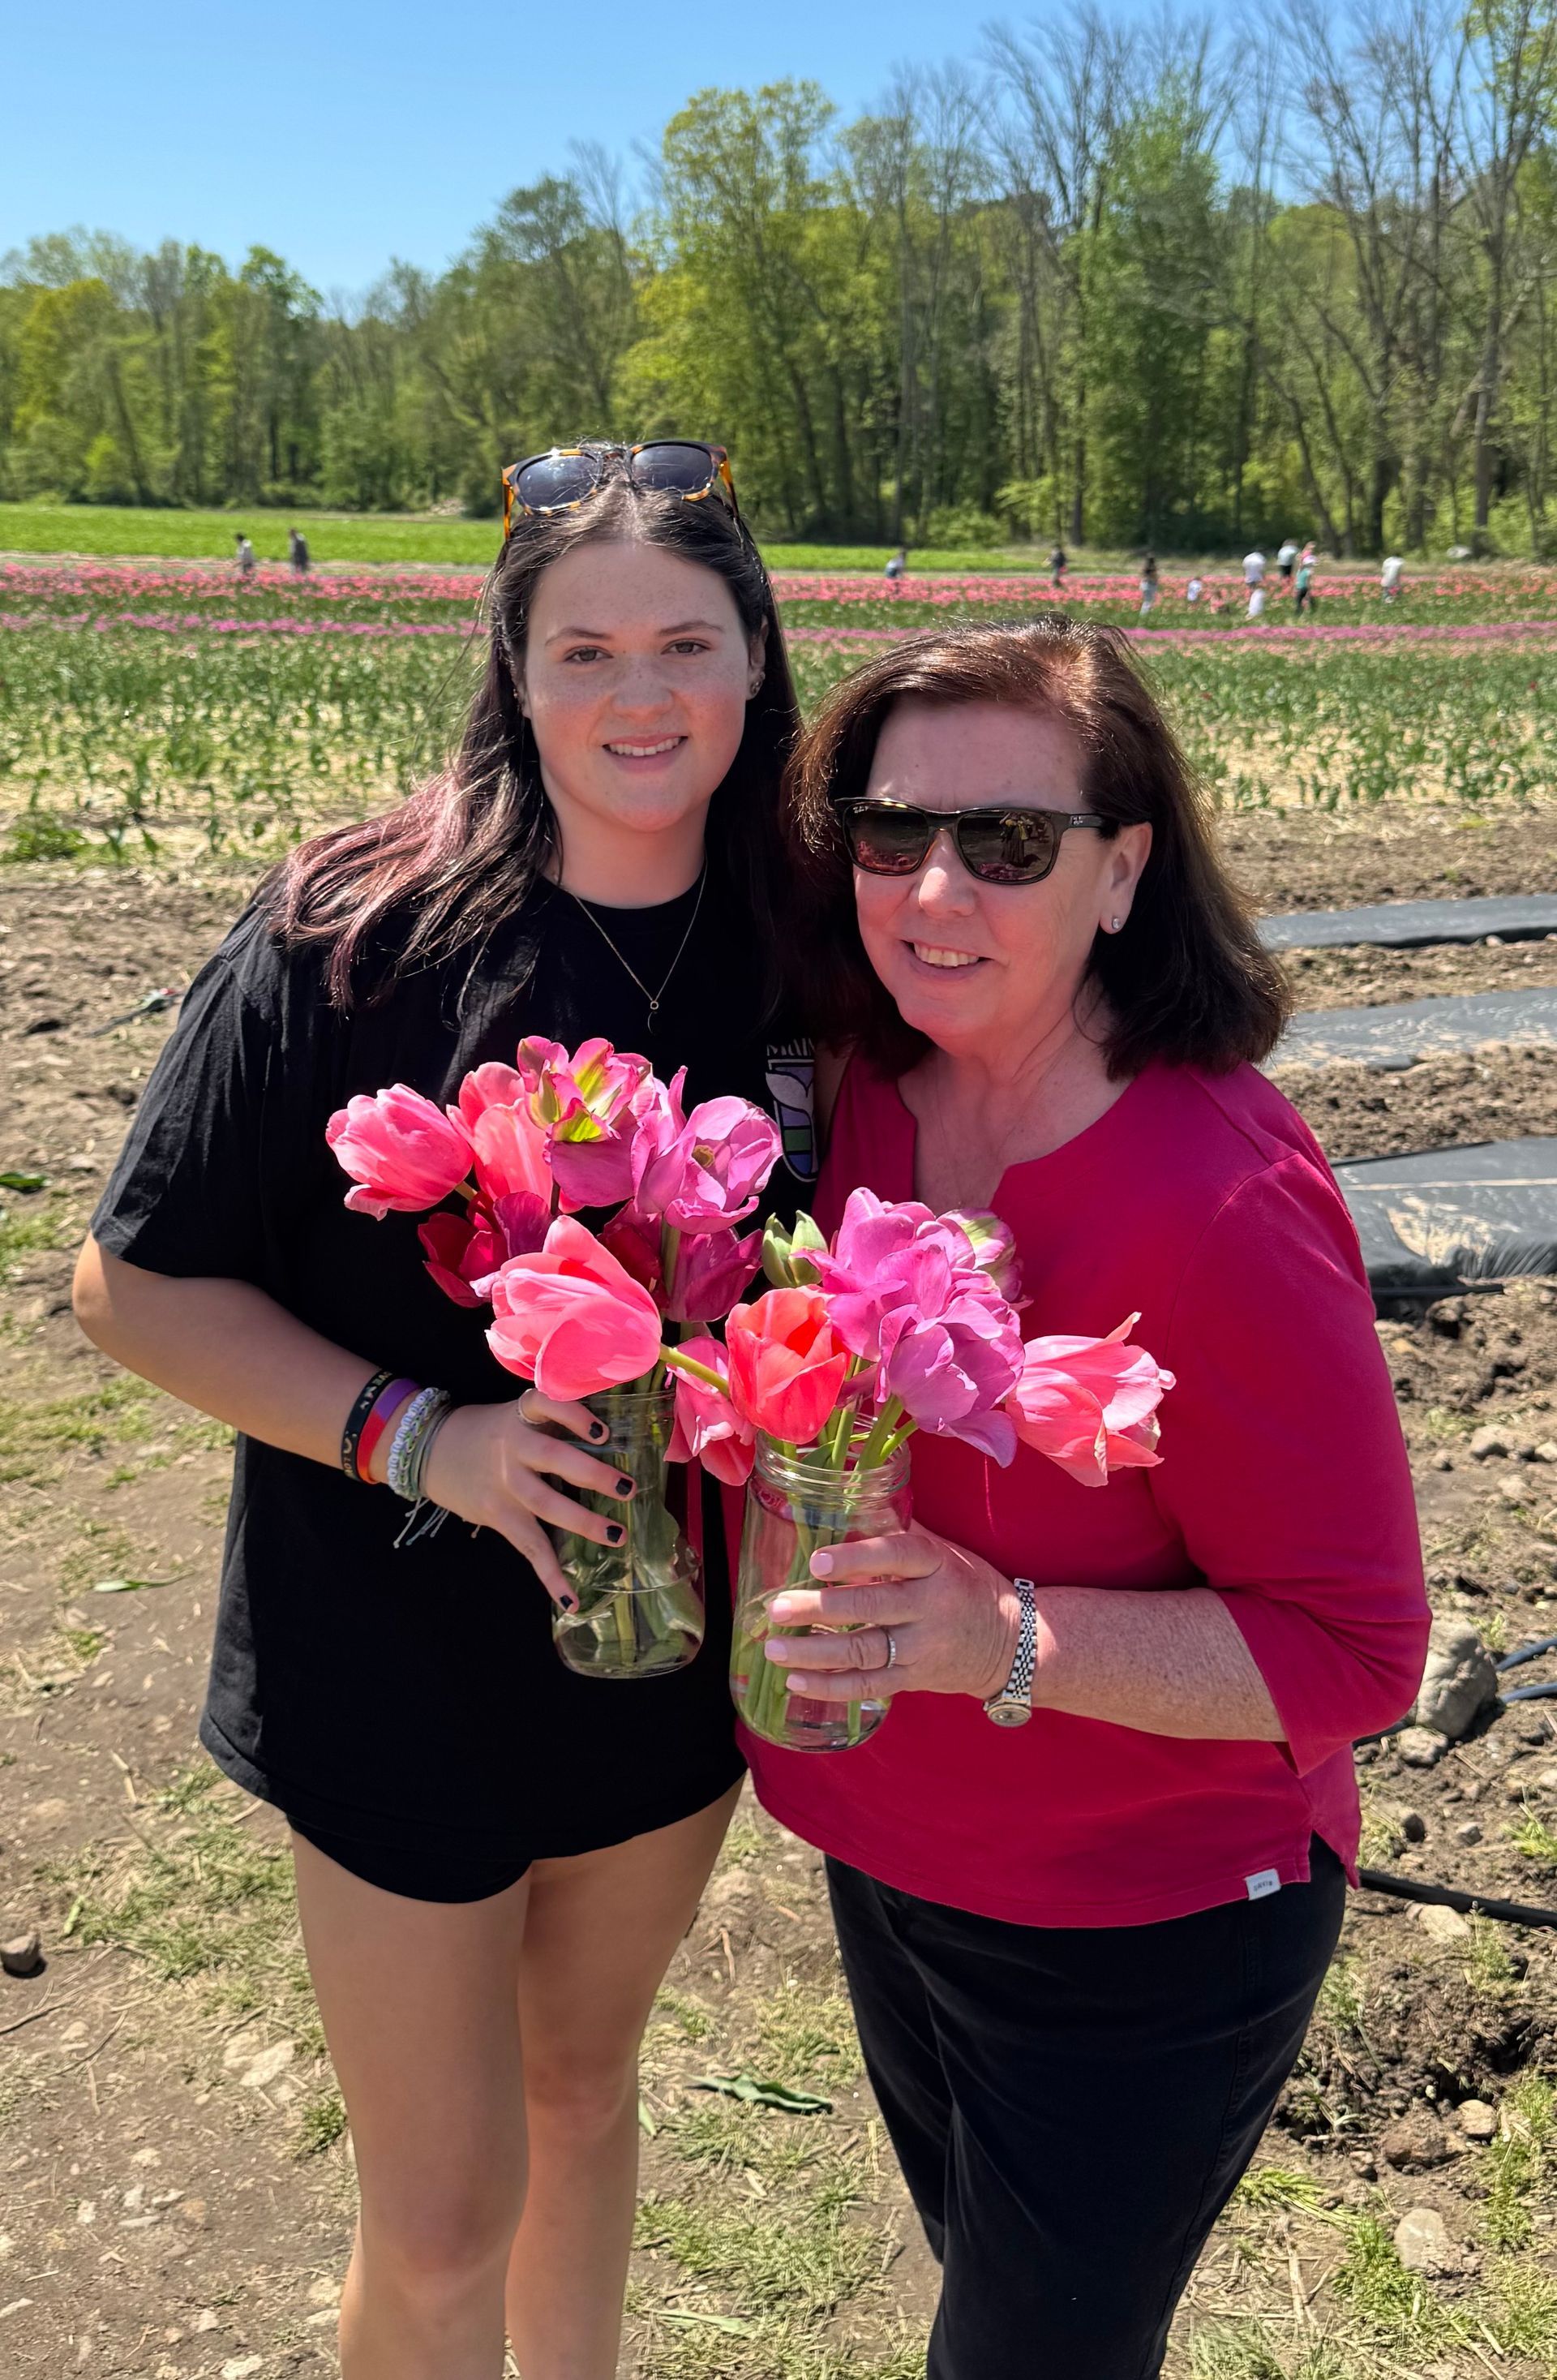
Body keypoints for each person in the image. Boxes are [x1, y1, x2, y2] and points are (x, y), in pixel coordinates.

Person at [73, 440, 810, 2380]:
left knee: (581, 2093)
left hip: (656, 1659)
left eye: (682, 641)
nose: (637, 696)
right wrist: (432, 1436)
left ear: (753, 656)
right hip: (384, 1644)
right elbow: (130, 1285)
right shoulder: (356, 932)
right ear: (511, 663)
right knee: (443, 2209)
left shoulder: (808, 955)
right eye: (583, 651)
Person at [762, 616, 1428, 2378]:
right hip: (901, 1860)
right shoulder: (865, 1100)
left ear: (1124, 870)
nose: (933, 887)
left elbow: (1357, 1657)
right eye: (892, 834)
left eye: (1008, 842)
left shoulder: (1219, 1201)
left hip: (1145, 1930)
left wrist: (999, 1632)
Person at [1138, 552, 1159, 618]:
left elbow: (1142, 576)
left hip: (1144, 585)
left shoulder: (1145, 568)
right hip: (1150, 585)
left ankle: (1145, 614)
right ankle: (1144, 615)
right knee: (1148, 601)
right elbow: (1154, 577)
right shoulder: (1153, 568)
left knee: (1147, 600)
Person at [1294, 551, 1315, 616]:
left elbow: (1297, 581)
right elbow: (1308, 582)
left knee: (1299, 603)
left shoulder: (1299, 572)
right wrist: (1309, 591)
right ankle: (1311, 613)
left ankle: (1298, 614)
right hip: (1304, 589)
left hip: (1298, 589)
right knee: (1311, 602)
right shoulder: (1308, 572)